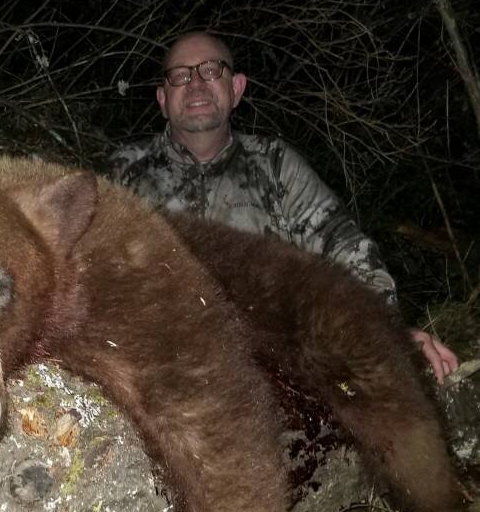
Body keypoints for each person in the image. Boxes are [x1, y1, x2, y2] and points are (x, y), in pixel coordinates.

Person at [110, 31, 458, 383]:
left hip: (272, 371)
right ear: (162, 99)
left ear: (237, 89)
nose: (196, 83)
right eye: (180, 75)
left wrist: (386, 333)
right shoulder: (123, 175)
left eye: (211, 71)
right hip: (159, 369)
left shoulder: (276, 165)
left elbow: (348, 251)